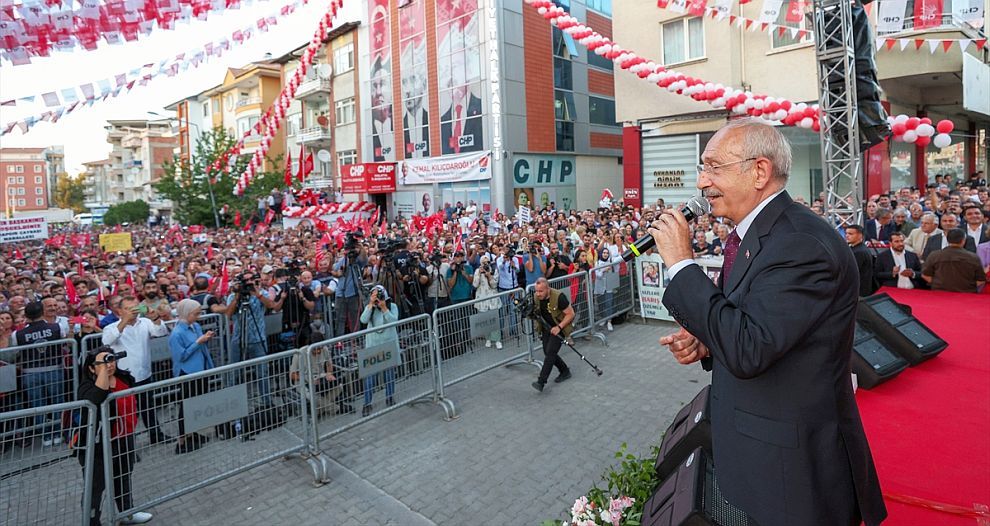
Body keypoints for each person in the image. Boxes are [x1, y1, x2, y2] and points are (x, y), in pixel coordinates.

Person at [647, 119, 886, 526]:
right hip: (761, 452)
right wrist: (706, 341)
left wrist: (681, 264)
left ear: (759, 171)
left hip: (795, 470)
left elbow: (748, 349)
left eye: (712, 167)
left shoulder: (800, 245)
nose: (702, 183)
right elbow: (750, 325)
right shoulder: (752, 236)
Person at [76, 346, 153, 525]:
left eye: (110, 360)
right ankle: (92, 521)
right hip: (99, 444)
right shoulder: (87, 387)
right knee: (96, 486)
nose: (109, 365)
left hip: (125, 438)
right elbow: (96, 397)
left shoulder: (124, 378)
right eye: (102, 363)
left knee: (123, 477)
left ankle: (127, 513)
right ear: (91, 368)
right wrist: (102, 373)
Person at [102, 296, 170, 444]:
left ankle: (155, 435)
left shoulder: (145, 322)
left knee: (148, 408)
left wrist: (156, 317)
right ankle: (127, 445)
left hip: (144, 373)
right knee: (126, 413)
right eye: (128, 308)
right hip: (124, 377)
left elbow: (160, 332)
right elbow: (107, 341)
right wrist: (124, 321)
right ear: (119, 311)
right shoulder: (111, 327)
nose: (133, 311)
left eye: (135, 307)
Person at [14, 301, 67, 446]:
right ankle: (57, 432)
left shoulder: (17, 334)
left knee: (37, 404)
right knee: (57, 402)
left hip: (30, 373)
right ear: (42, 312)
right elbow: (64, 343)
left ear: (26, 315)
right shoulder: (57, 327)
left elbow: (16, 353)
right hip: (53, 370)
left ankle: (45, 436)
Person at [168, 299, 216, 454]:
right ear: (187, 314)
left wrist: (205, 340)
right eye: (196, 313)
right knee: (186, 406)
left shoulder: (195, 326)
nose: (199, 316)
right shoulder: (177, 334)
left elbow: (200, 346)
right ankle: (182, 439)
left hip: (200, 369)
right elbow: (180, 356)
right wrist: (198, 342)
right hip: (187, 373)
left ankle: (192, 433)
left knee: (196, 404)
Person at [360, 285, 399, 417]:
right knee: (370, 377)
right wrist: (371, 304)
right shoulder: (370, 308)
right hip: (372, 346)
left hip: (388, 345)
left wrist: (384, 308)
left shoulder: (392, 306)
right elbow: (363, 320)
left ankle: (390, 396)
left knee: (389, 374)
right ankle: (367, 403)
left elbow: (394, 321)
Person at [530, 277, 574, 393]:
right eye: (536, 291)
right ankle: (564, 371)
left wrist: (559, 327)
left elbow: (570, 314)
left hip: (560, 327)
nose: (538, 294)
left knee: (550, 352)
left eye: (541, 291)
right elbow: (536, 313)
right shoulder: (536, 297)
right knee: (548, 352)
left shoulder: (559, 297)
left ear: (548, 289)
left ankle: (541, 382)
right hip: (546, 328)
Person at [922, 228, 986, 293]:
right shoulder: (973, 257)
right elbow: (981, 280)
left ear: (947, 239)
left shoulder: (934, 255)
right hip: (966, 294)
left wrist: (938, 283)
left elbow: (925, 275)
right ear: (963, 240)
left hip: (940, 293)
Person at [472, 256, 502, 349]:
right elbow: (475, 284)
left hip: (492, 298)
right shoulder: (477, 271)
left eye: (487, 262)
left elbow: (494, 285)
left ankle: (497, 340)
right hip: (482, 298)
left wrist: (489, 276)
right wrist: (479, 274)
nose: (486, 264)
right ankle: (487, 339)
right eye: (483, 262)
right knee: (484, 320)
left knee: (494, 319)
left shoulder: (494, 270)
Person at [846, 225, 877, 297]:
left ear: (860, 235)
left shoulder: (859, 251)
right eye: (846, 233)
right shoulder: (858, 248)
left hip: (859, 291)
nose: (847, 236)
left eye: (850, 234)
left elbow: (852, 272)